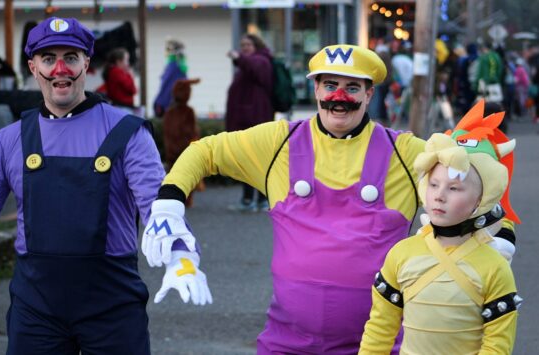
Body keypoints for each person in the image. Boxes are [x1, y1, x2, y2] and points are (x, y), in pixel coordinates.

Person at [141, 44, 518, 354]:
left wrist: (499, 238)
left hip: (378, 342)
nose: (340, 97)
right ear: (316, 89)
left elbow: (477, 177)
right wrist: (170, 200)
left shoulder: (406, 151)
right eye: (330, 84)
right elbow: (203, 151)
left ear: (370, 94)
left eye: (352, 88)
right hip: (286, 342)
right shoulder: (278, 142)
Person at [0, 17, 167, 354]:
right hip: (36, 309)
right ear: (33, 68)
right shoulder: (10, 140)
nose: (60, 69)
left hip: (112, 307)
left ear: (86, 64)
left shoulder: (129, 132)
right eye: (48, 59)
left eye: (70, 58)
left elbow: (157, 203)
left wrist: (179, 252)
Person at [360, 104, 521, 354]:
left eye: (454, 188)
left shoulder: (494, 267)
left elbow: (497, 346)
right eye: (433, 184)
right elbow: (379, 331)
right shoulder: (401, 254)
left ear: (481, 199)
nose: (439, 196)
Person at [225, 33, 274, 212]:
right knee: (248, 162)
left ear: (256, 46)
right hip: (246, 121)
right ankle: (250, 199)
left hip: (256, 121)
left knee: (258, 162)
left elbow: (254, 67)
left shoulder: (262, 61)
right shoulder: (249, 65)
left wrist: (239, 58)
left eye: (247, 45)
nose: (244, 48)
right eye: (242, 45)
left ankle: (258, 200)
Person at [162, 78, 202, 207]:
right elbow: (192, 132)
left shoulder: (169, 113)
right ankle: (186, 199)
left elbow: (166, 134)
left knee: (173, 175)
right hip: (186, 149)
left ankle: (173, 198)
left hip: (172, 151)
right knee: (187, 175)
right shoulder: (189, 112)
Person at [153, 39, 187, 118]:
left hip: (169, 103)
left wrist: (159, 102)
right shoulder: (180, 67)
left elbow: (165, 84)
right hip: (177, 103)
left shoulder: (173, 66)